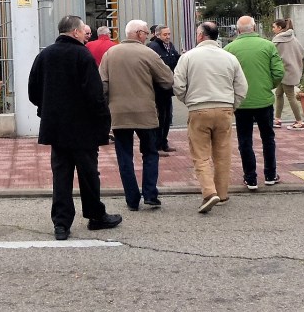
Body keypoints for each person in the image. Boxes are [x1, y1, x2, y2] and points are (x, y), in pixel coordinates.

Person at [28, 15, 122, 240]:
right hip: (83, 126)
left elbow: (33, 90)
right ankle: (95, 216)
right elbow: (94, 93)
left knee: (61, 175)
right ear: (75, 32)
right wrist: (103, 120)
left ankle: (61, 223)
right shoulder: (82, 55)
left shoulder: (45, 55)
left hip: (56, 127)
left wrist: (46, 108)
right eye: (83, 31)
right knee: (89, 174)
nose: (85, 35)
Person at [173, 21, 249, 213]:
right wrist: (233, 105)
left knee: (201, 154)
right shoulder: (230, 58)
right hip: (224, 109)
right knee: (223, 154)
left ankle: (209, 192)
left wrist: (188, 100)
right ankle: (222, 193)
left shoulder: (188, 57)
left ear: (200, 35)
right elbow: (242, 87)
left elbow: (178, 85)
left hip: (198, 109)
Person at [99, 19, 174, 211]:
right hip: (145, 113)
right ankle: (150, 194)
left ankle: (132, 199)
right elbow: (167, 80)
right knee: (149, 153)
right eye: (145, 34)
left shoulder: (110, 54)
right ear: (139, 33)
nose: (146, 37)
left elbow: (103, 85)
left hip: (119, 113)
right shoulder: (148, 53)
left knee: (124, 156)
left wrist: (106, 108)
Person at [224, 16, 285, 190]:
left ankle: (250, 178)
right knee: (268, 138)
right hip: (264, 100)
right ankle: (270, 174)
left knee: (244, 140)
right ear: (255, 27)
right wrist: (269, 85)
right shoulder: (268, 45)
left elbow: (227, 75)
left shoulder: (229, 48)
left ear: (238, 30)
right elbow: (279, 72)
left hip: (241, 102)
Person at [148, 25, 182, 155]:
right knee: (160, 117)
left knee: (167, 116)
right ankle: (157, 145)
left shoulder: (170, 46)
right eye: (165, 34)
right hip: (158, 88)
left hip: (167, 87)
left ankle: (164, 142)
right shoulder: (154, 47)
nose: (167, 37)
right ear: (157, 35)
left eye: (169, 34)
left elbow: (174, 60)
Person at [271, 18, 304, 129]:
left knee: (290, 96)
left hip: (284, 71)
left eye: (274, 27)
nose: (273, 29)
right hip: (291, 70)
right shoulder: (293, 38)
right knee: (279, 94)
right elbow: (301, 51)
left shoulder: (278, 40)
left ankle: (299, 121)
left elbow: (272, 54)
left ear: (280, 28)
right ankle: (277, 119)